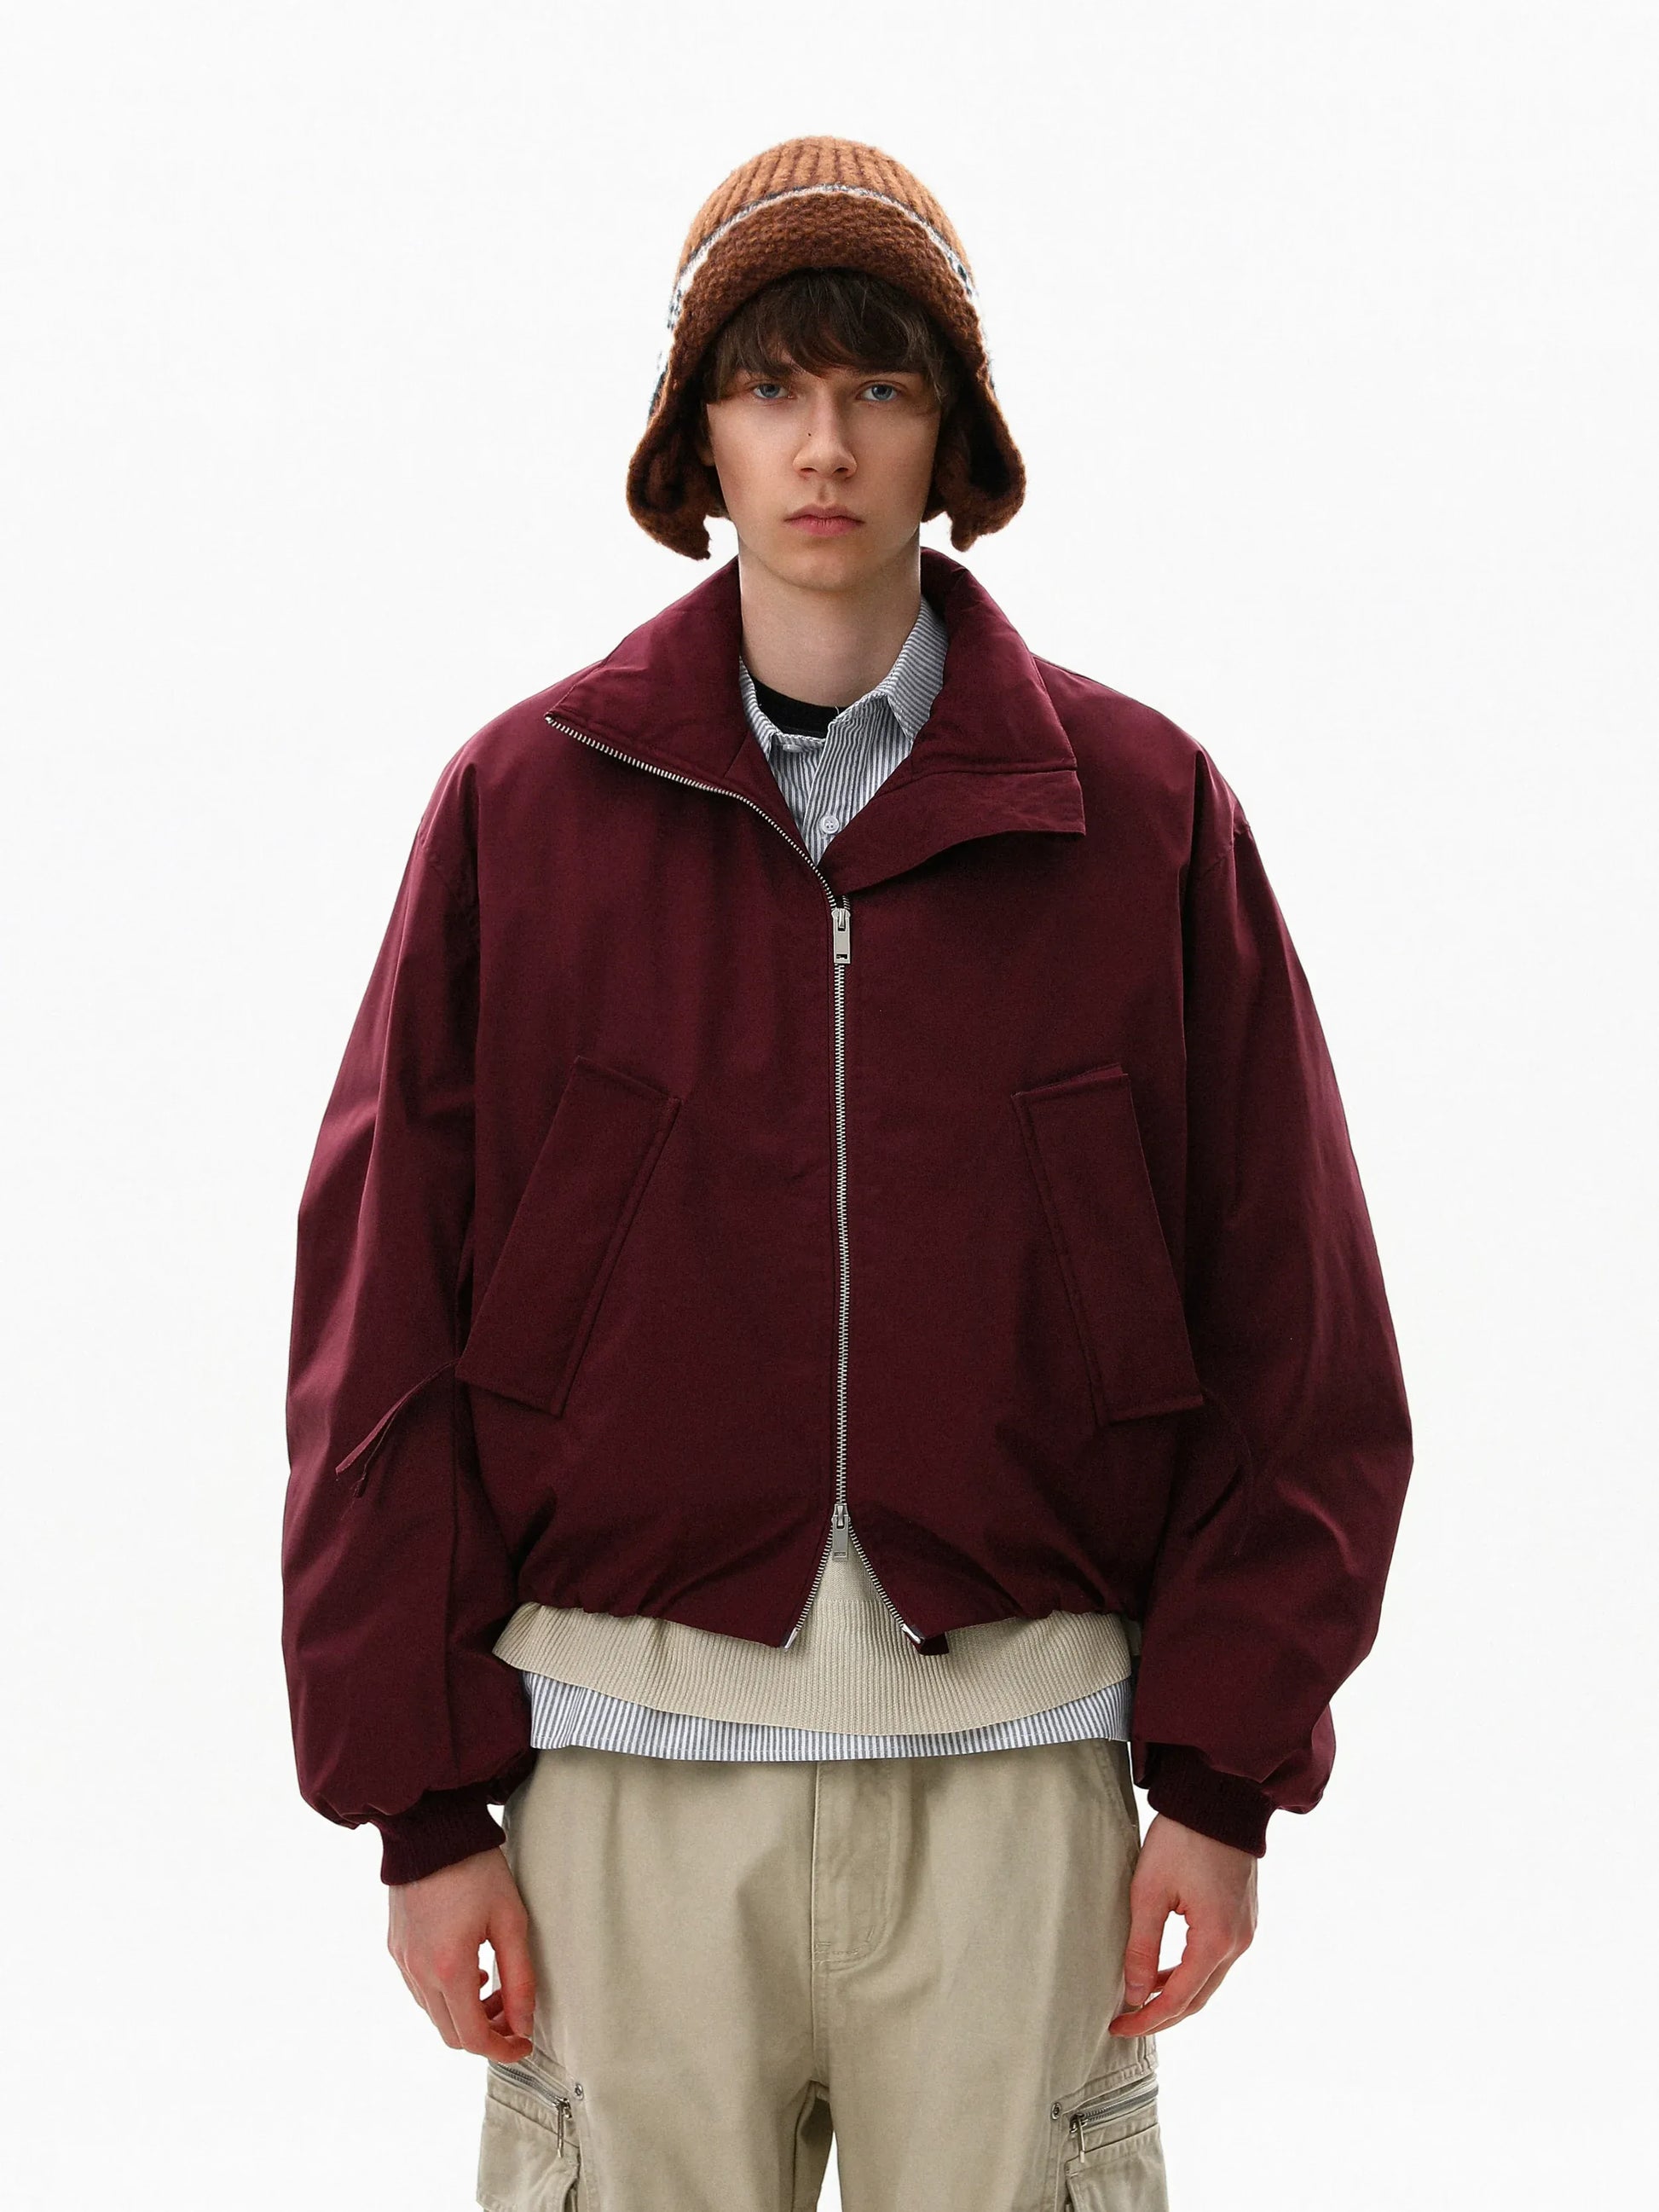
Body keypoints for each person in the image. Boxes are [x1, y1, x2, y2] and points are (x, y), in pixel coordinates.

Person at [281, 136, 1413, 2212]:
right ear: (698, 439)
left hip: (1016, 1789)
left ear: (950, 434)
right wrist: (419, 1811)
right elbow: (379, 1332)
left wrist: (1224, 1778)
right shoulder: (525, 808)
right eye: (772, 386)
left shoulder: (1140, 814)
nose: (824, 445)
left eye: (880, 387)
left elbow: (1299, 1323)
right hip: (624, 1783)